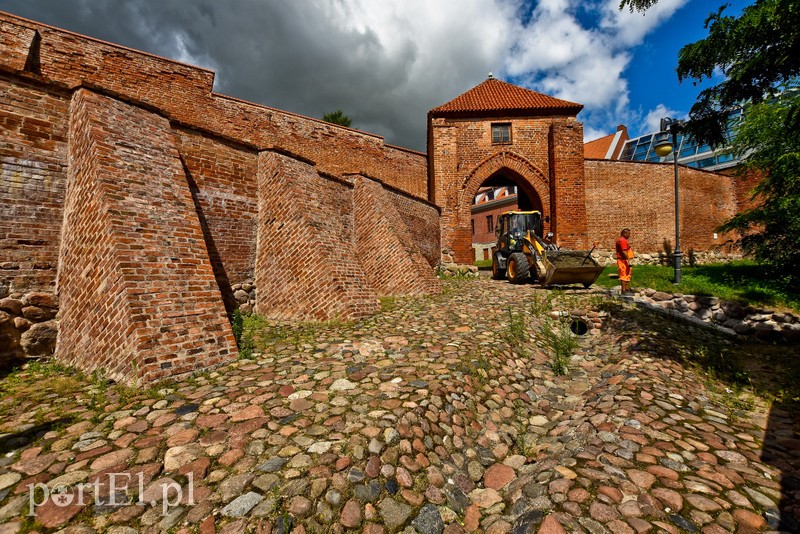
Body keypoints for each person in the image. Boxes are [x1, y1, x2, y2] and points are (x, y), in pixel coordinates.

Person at [615, 228, 633, 294]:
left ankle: (627, 288)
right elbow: (624, 251)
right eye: (628, 234)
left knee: (627, 274)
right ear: (624, 234)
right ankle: (624, 290)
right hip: (623, 260)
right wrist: (628, 260)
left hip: (624, 259)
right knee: (624, 274)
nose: (629, 235)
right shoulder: (622, 240)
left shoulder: (622, 240)